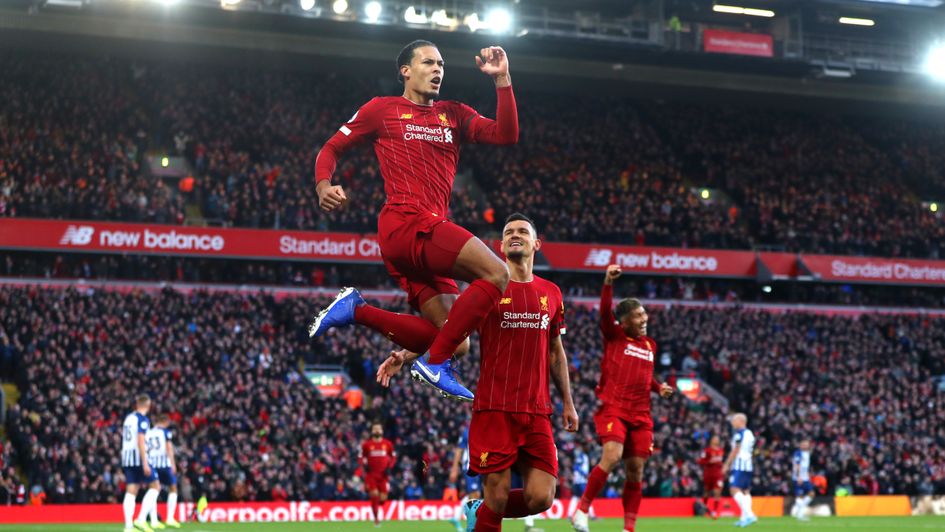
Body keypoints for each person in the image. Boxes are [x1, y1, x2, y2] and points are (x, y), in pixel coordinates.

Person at [309, 39, 520, 402]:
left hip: (425, 235)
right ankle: (434, 365)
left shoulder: (453, 113)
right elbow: (331, 147)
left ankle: (357, 310)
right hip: (406, 222)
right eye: (428, 63)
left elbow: (506, 135)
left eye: (441, 64)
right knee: (498, 274)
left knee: (458, 342)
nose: (437, 69)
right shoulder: (382, 109)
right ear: (405, 71)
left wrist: (502, 80)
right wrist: (323, 184)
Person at [377, 213, 579, 532]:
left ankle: (478, 509)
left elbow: (556, 350)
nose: (515, 235)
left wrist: (568, 401)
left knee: (542, 497)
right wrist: (405, 354)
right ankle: (486, 512)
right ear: (499, 246)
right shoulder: (488, 289)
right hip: (494, 408)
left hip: (537, 410)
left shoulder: (552, 293)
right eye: (509, 231)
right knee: (497, 501)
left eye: (523, 231)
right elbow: (450, 331)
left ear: (536, 243)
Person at [571, 265, 674, 532]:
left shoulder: (650, 345)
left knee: (636, 470)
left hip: (641, 415)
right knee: (612, 455)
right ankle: (581, 511)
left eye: (644, 313)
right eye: (638, 315)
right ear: (625, 321)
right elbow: (605, 313)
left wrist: (658, 387)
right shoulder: (615, 335)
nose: (645, 318)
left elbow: (644, 374)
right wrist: (607, 283)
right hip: (614, 408)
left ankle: (628, 528)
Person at [121, 394, 160, 532]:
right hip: (138, 458)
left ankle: (128, 527)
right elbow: (140, 440)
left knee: (131, 490)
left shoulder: (128, 418)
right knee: (155, 486)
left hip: (127, 458)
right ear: (148, 406)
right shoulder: (142, 419)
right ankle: (141, 519)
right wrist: (145, 462)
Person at [145, 414, 181, 529]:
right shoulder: (165, 432)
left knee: (153, 490)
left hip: (152, 464)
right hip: (164, 465)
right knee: (173, 488)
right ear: (165, 422)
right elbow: (169, 448)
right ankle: (170, 518)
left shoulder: (149, 432)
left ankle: (154, 520)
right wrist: (173, 464)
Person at [723, 413, 757, 528]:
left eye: (734, 420)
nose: (732, 422)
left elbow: (735, 450)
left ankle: (750, 515)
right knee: (745, 491)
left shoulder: (739, 434)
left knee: (734, 489)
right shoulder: (750, 433)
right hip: (748, 465)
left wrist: (727, 464)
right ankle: (744, 518)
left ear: (741, 421)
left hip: (739, 465)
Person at [361, 422, 396, 527]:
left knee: (383, 499)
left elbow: (393, 457)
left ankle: (376, 506)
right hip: (371, 475)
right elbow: (360, 457)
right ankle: (376, 520)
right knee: (374, 495)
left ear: (382, 431)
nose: (377, 431)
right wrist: (364, 465)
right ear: (372, 431)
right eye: (375, 429)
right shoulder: (367, 445)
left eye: (379, 429)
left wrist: (390, 467)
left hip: (383, 476)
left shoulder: (388, 444)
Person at [697, 435, 724, 519]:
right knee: (707, 492)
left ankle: (715, 512)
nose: (717, 440)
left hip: (718, 475)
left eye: (718, 439)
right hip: (708, 474)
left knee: (717, 492)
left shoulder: (721, 450)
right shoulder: (707, 451)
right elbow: (700, 461)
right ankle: (704, 508)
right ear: (711, 440)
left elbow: (720, 462)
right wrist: (709, 461)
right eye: (715, 439)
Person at [790, 439, 814, 521]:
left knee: (811, 494)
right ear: (800, 445)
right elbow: (797, 465)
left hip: (805, 478)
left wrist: (807, 474)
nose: (805, 446)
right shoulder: (798, 453)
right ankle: (800, 515)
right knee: (799, 496)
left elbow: (805, 466)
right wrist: (799, 476)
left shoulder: (807, 453)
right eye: (803, 444)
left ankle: (799, 509)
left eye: (806, 444)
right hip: (798, 478)